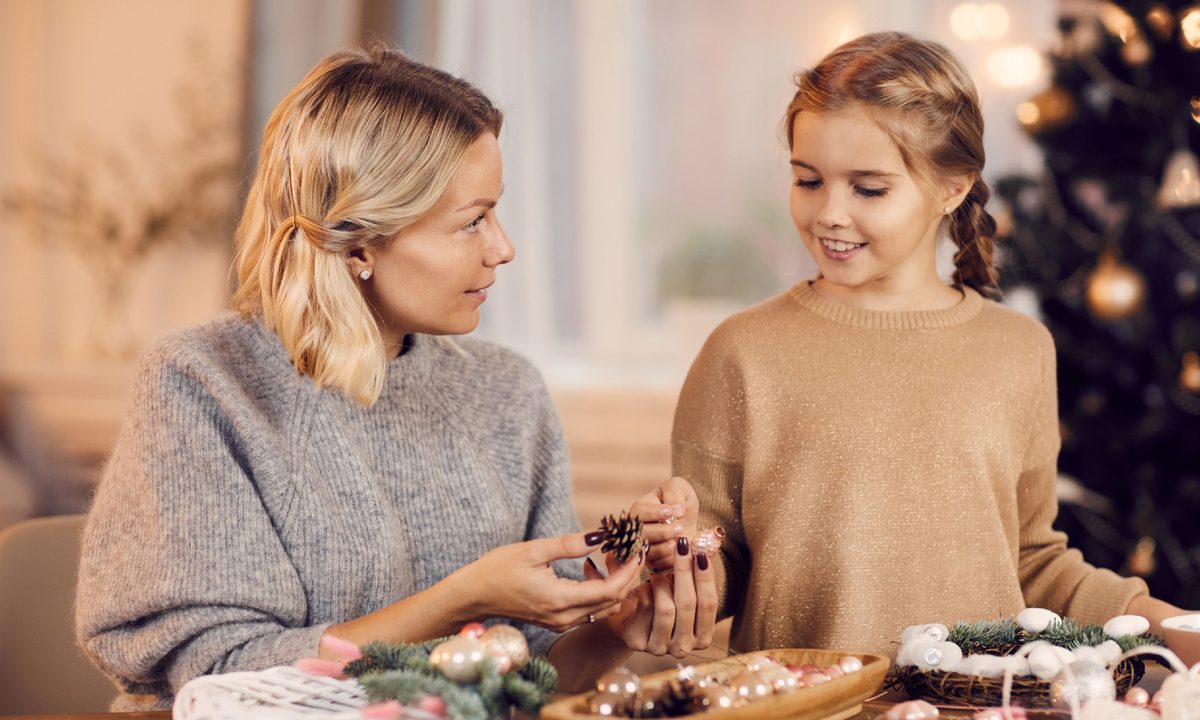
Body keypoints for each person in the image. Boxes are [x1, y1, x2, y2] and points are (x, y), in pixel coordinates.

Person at [74, 45, 711, 711]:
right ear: (357, 244)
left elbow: (532, 676)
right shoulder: (203, 384)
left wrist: (614, 626)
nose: (503, 248)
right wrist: (463, 597)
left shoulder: (507, 391)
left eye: (495, 213)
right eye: (471, 222)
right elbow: (221, 678)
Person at [650, 31, 1194, 659]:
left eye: (868, 188)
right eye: (808, 180)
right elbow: (716, 555)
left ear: (952, 187)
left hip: (982, 700)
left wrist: (1168, 624)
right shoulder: (742, 352)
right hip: (810, 701)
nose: (828, 212)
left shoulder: (1018, 350)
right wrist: (677, 573)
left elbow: (1032, 560)